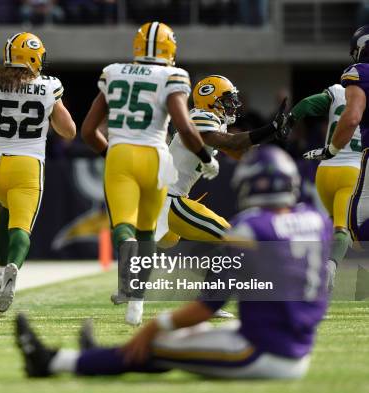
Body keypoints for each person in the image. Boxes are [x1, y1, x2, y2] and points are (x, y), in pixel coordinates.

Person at [15, 145, 332, 380]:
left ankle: (55, 362)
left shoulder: (251, 228)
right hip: (296, 344)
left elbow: (210, 303)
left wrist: (155, 325)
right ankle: (93, 353)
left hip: (262, 352)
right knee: (187, 337)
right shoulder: (317, 221)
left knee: (159, 342)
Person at [81, 22, 218, 325]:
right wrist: (205, 157)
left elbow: (88, 130)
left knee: (124, 226)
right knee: (147, 232)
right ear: (171, 49)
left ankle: (126, 257)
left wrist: (112, 153)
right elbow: (184, 126)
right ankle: (136, 306)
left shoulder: (114, 71)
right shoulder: (173, 75)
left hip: (120, 153)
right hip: (156, 157)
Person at [0, 32, 76, 313]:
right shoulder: (49, 86)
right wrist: (46, 117)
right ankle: (13, 267)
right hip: (28, 163)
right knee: (22, 226)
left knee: (6, 209)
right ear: (33, 56)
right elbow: (69, 131)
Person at [153, 75, 287, 320]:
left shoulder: (214, 123)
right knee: (232, 236)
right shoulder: (198, 116)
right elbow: (230, 141)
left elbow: (239, 151)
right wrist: (267, 129)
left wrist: (272, 134)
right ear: (210, 100)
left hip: (173, 199)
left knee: (213, 240)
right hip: (169, 201)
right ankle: (210, 301)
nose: (232, 105)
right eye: (226, 100)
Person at [282, 85, 360, 290]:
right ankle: (327, 268)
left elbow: (306, 104)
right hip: (355, 172)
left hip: (325, 171)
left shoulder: (339, 91)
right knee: (344, 228)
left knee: (333, 224)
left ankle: (306, 263)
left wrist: (288, 122)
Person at [304, 26, 369, 242]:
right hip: (353, 165)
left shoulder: (359, 72)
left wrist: (331, 150)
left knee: (354, 230)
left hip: (349, 162)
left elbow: (351, 118)